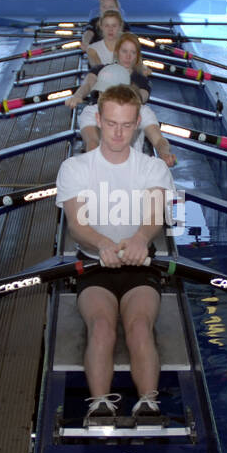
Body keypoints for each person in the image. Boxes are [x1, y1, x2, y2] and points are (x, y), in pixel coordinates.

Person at [56, 84, 174, 423]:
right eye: (111, 124)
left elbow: (153, 217)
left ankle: (149, 404)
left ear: (138, 122)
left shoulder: (153, 169)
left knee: (139, 326)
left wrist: (140, 237)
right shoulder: (75, 168)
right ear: (98, 119)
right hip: (94, 264)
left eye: (125, 124)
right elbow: (77, 225)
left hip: (141, 264)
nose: (118, 133)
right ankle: (100, 405)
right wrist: (102, 244)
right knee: (102, 326)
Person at [69, 32, 176, 166]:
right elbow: (92, 141)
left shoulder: (142, 110)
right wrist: (77, 96)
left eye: (132, 52)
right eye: (124, 51)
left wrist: (164, 152)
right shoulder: (91, 112)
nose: (128, 56)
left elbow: (159, 140)